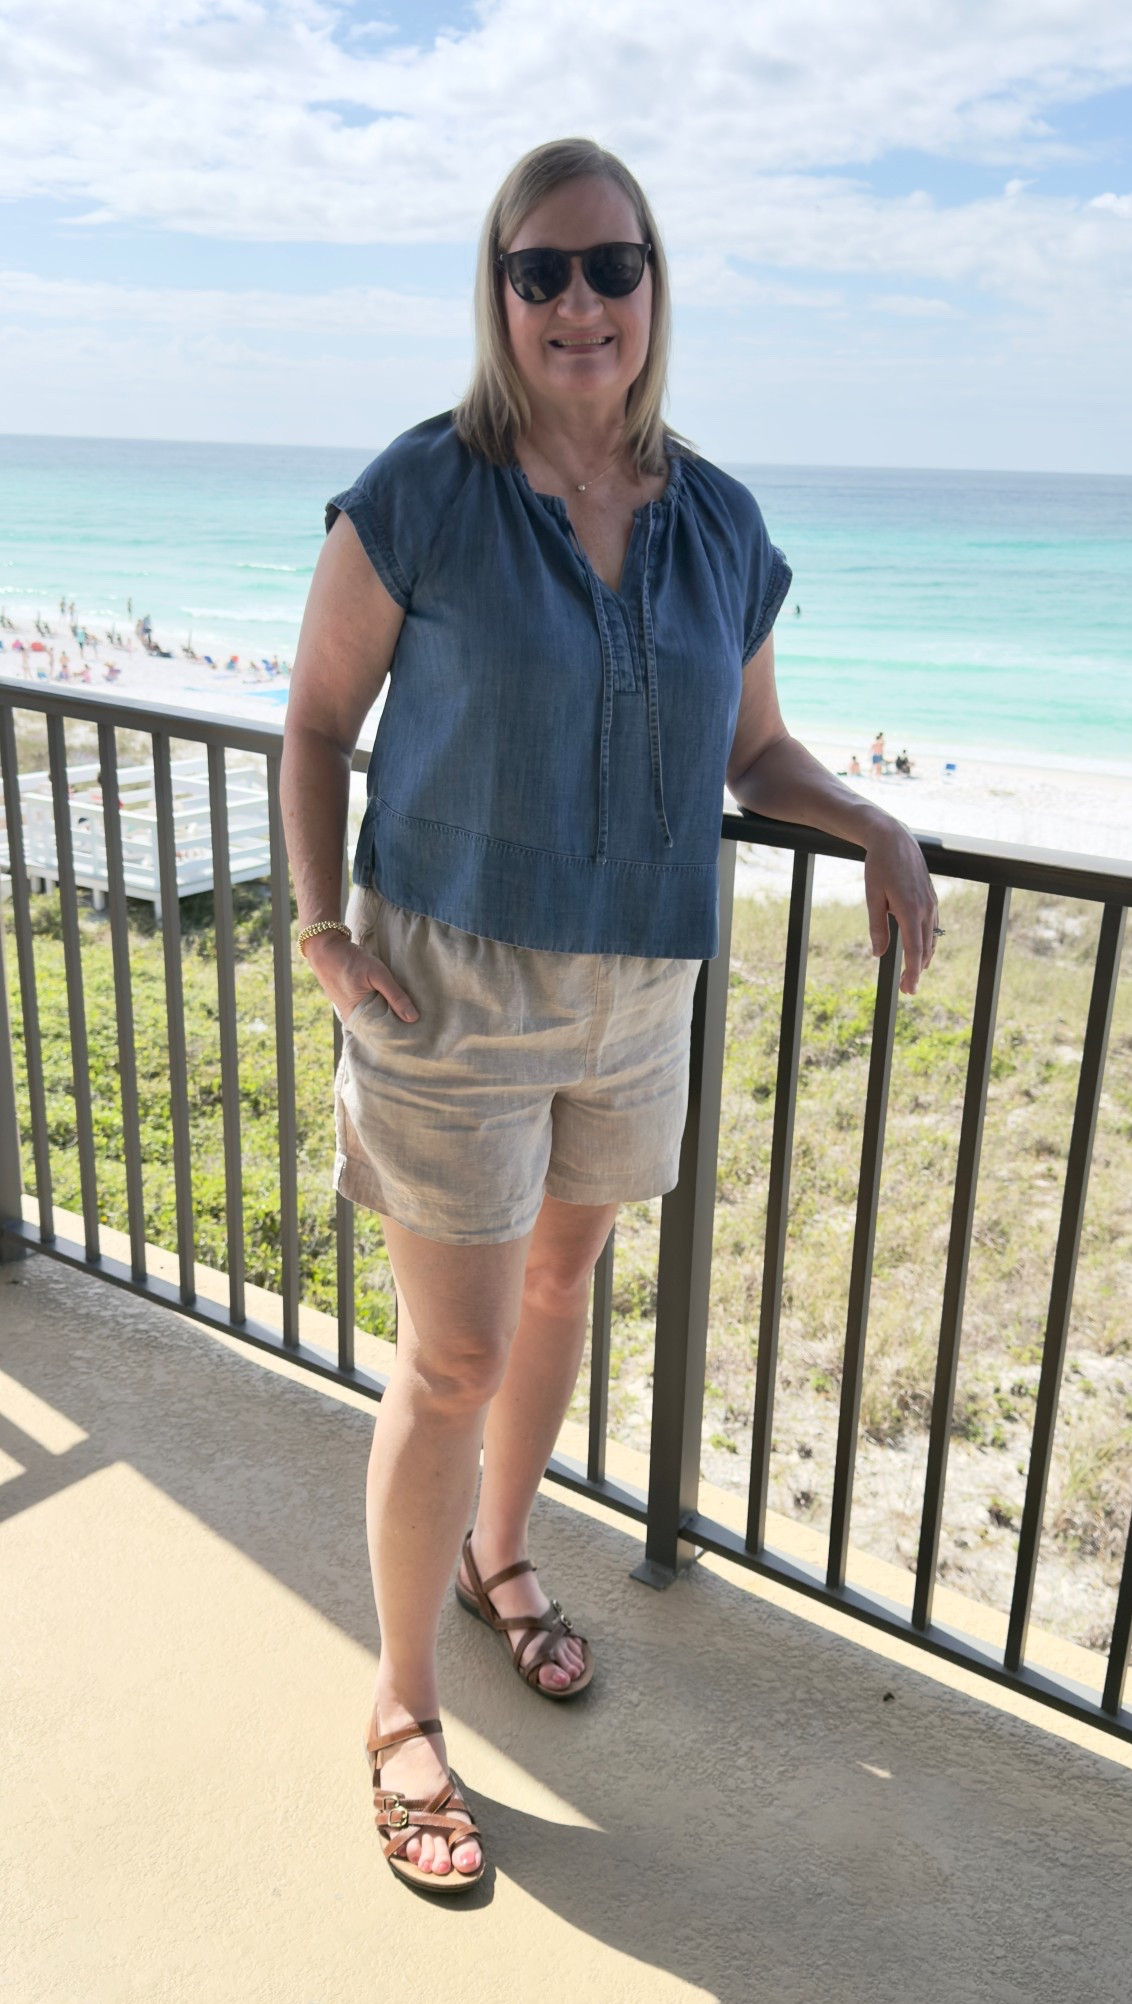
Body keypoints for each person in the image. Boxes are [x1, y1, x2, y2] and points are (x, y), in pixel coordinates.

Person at [280, 137, 939, 1898]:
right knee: (454, 1356)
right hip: (452, 985)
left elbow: (753, 751)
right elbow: (313, 724)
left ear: (656, 289)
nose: (580, 302)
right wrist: (323, 930)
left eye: (612, 266)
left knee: (566, 1287)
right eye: (541, 270)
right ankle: (403, 1701)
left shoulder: (718, 519)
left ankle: (507, 1561)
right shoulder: (423, 490)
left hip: (639, 981)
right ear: (497, 293)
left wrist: (872, 818)